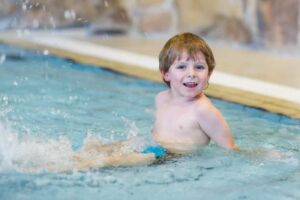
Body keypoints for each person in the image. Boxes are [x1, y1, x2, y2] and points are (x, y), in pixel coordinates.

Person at [52, 32, 237, 172]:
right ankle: (65, 157)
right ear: (166, 73)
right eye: (181, 67)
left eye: (199, 67)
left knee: (106, 162)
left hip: (170, 158)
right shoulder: (162, 98)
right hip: (151, 147)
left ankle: (63, 168)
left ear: (209, 74)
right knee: (98, 148)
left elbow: (230, 149)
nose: (191, 73)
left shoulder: (204, 111)